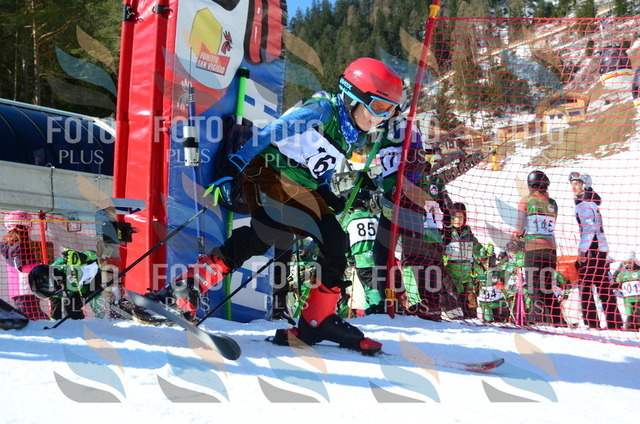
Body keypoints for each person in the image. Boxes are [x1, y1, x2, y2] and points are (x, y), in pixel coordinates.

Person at [147, 58, 403, 353]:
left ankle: (315, 318)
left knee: (280, 238)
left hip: (299, 185)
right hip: (269, 173)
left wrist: (325, 190)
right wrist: (235, 165)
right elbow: (272, 132)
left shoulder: (351, 132)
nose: (381, 117)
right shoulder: (323, 110)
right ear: (353, 96)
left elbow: (323, 164)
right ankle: (316, 320)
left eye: (390, 111)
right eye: (378, 107)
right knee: (320, 237)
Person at [570, 171, 621, 330]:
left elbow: (589, 228)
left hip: (592, 249)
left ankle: (592, 323)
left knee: (585, 286)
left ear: (584, 185)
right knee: (603, 285)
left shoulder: (584, 204)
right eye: (572, 184)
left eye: (577, 184)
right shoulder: (592, 202)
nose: (573, 187)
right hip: (601, 248)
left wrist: (582, 251)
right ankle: (614, 322)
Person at [513, 170, 562, 326]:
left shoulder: (525, 201)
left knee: (534, 288)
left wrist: (513, 241)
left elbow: (520, 228)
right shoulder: (553, 204)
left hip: (533, 250)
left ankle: (538, 320)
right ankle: (556, 321)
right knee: (547, 287)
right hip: (550, 250)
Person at [28, 248, 103, 320]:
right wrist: (55, 322)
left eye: (58, 290)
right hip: (85, 289)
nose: (59, 291)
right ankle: (78, 325)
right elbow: (55, 306)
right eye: (57, 291)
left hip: (99, 276)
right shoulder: (55, 287)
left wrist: (83, 257)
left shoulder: (61, 265)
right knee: (69, 305)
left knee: (101, 308)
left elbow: (94, 255)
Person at [0, 211, 49, 320]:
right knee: (28, 319)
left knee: (37, 316)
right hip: (24, 289)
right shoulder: (19, 244)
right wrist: (41, 266)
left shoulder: (9, 244)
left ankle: (54, 327)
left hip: (21, 289)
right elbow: (21, 267)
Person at [341, 190, 383, 314]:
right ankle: (371, 309)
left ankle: (377, 310)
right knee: (379, 285)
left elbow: (345, 244)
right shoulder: (374, 218)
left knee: (370, 287)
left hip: (362, 260)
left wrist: (349, 258)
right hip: (378, 257)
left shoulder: (348, 221)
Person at [442, 202, 484, 318]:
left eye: (461, 217)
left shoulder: (469, 235)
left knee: (468, 308)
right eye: (455, 217)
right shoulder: (446, 233)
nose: (458, 220)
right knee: (455, 304)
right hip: (451, 275)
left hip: (466, 276)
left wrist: (485, 252)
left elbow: (478, 249)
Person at [613, 250, 640, 331]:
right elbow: (616, 280)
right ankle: (630, 327)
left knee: (638, 310)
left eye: (630, 262)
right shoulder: (622, 271)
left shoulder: (638, 270)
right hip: (628, 298)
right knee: (629, 311)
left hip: (638, 297)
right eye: (626, 262)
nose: (628, 264)